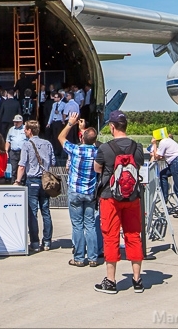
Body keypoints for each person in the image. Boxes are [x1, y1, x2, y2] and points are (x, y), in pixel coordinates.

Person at [93, 110, 144, 294]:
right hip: (132, 197)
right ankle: (137, 279)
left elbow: (97, 168)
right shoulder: (137, 147)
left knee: (111, 236)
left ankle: (111, 280)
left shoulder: (105, 149)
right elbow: (139, 165)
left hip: (110, 197)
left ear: (112, 127)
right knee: (133, 235)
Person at [59, 112, 100, 267]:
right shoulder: (97, 152)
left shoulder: (76, 150)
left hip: (75, 190)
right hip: (89, 192)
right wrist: (85, 130)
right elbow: (91, 140)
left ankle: (79, 257)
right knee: (90, 224)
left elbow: (61, 138)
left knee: (77, 225)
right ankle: (93, 257)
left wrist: (70, 123)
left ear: (82, 137)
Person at [14, 119, 55, 252]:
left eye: (26, 129)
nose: (25, 131)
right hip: (46, 180)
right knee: (45, 211)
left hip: (32, 180)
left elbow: (22, 165)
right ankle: (47, 241)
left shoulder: (26, 145)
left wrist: (17, 181)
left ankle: (35, 242)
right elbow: (53, 161)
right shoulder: (48, 143)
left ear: (30, 131)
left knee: (32, 212)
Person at [151, 131, 178, 218]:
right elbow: (162, 156)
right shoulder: (169, 141)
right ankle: (168, 198)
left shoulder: (163, 142)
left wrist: (154, 144)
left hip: (176, 163)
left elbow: (157, 157)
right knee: (163, 174)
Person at [5, 114, 26, 179]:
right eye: (15, 121)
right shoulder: (11, 129)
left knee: (23, 168)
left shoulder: (25, 129)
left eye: (17, 122)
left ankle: (22, 183)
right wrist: (6, 150)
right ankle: (13, 183)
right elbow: (8, 141)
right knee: (14, 169)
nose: (16, 123)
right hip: (13, 152)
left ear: (22, 122)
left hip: (23, 152)